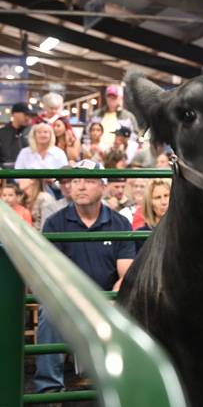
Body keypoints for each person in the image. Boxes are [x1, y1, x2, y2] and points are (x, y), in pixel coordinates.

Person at [34, 159, 135, 394]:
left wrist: (111, 296)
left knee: (134, 306)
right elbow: (52, 273)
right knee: (48, 313)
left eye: (88, 181)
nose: (80, 186)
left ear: (102, 186)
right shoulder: (54, 223)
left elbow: (126, 274)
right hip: (67, 298)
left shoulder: (120, 222)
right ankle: (49, 390)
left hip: (109, 299)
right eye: (76, 180)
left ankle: (123, 387)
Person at [134, 178, 171, 253]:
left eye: (167, 195)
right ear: (149, 203)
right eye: (158, 197)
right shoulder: (141, 235)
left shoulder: (184, 230)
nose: (163, 202)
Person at [0, 102, 34, 168]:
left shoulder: (33, 132)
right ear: (14, 114)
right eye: (25, 114)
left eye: (30, 115)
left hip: (28, 173)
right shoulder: (2, 133)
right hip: (5, 173)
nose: (28, 118)